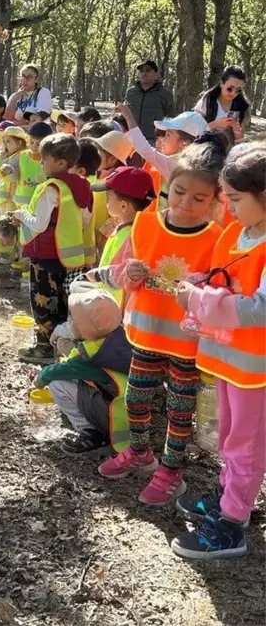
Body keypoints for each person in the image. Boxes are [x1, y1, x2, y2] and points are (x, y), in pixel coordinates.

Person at [97, 134, 227, 506]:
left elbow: (221, 291)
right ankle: (140, 453)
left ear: (216, 199)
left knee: (179, 407)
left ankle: (171, 472)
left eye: (199, 198)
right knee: (137, 397)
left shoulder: (217, 238)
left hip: (187, 344)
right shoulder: (144, 224)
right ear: (169, 186)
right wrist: (130, 273)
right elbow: (122, 271)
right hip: (146, 333)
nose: (187, 203)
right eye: (180, 192)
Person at [171, 144, 266, 559]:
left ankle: (232, 525)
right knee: (229, 435)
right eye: (226, 196)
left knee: (247, 443)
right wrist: (198, 280)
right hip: (228, 359)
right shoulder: (236, 231)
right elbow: (221, 273)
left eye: (236, 199)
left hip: (255, 368)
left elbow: (258, 308)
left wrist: (199, 300)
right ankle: (230, 496)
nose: (227, 205)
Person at [13, 133, 94, 363]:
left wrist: (20, 214)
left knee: (43, 303)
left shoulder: (51, 188)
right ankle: (60, 347)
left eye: (45, 159)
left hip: (45, 254)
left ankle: (43, 349)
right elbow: (86, 220)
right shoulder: (83, 185)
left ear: (60, 163)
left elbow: (38, 224)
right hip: (68, 257)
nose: (40, 162)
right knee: (60, 302)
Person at [33, 285, 131, 454]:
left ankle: (91, 433)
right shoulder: (120, 337)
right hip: (132, 417)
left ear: (88, 328)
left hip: (112, 419)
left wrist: (40, 377)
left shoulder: (91, 354)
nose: (71, 323)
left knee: (57, 383)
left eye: (75, 321)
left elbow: (61, 370)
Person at [117, 103, 209, 211]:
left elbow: (145, 149)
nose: (163, 139)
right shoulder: (200, 166)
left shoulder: (177, 166)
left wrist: (128, 116)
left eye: (168, 134)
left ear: (184, 144)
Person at [86, 167, 157, 306]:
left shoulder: (132, 236)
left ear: (123, 205)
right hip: (109, 302)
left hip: (117, 307)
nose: (107, 202)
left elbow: (125, 274)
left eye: (108, 198)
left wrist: (98, 276)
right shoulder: (131, 228)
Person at [125, 59, 175, 144]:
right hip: (131, 138)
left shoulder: (165, 94)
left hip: (154, 141)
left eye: (148, 71)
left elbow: (171, 117)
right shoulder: (130, 92)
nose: (144, 73)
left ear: (155, 74)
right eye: (141, 71)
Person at [195, 65, 249, 140]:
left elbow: (240, 139)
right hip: (203, 146)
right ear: (221, 84)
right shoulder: (209, 100)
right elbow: (194, 130)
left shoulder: (241, 105)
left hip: (227, 148)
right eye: (230, 89)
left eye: (238, 90)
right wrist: (216, 124)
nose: (233, 93)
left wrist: (236, 131)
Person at [0, 127, 29, 220]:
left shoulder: (20, 157)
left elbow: (14, 177)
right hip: (0, 195)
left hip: (11, 199)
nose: (4, 144)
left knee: (7, 223)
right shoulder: (3, 155)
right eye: (4, 141)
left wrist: (8, 170)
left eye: (8, 141)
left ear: (19, 143)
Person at [13, 122, 52, 209]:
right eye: (31, 142)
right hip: (21, 207)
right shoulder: (21, 156)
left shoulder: (52, 160)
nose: (34, 146)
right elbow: (13, 175)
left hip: (41, 207)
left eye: (38, 144)